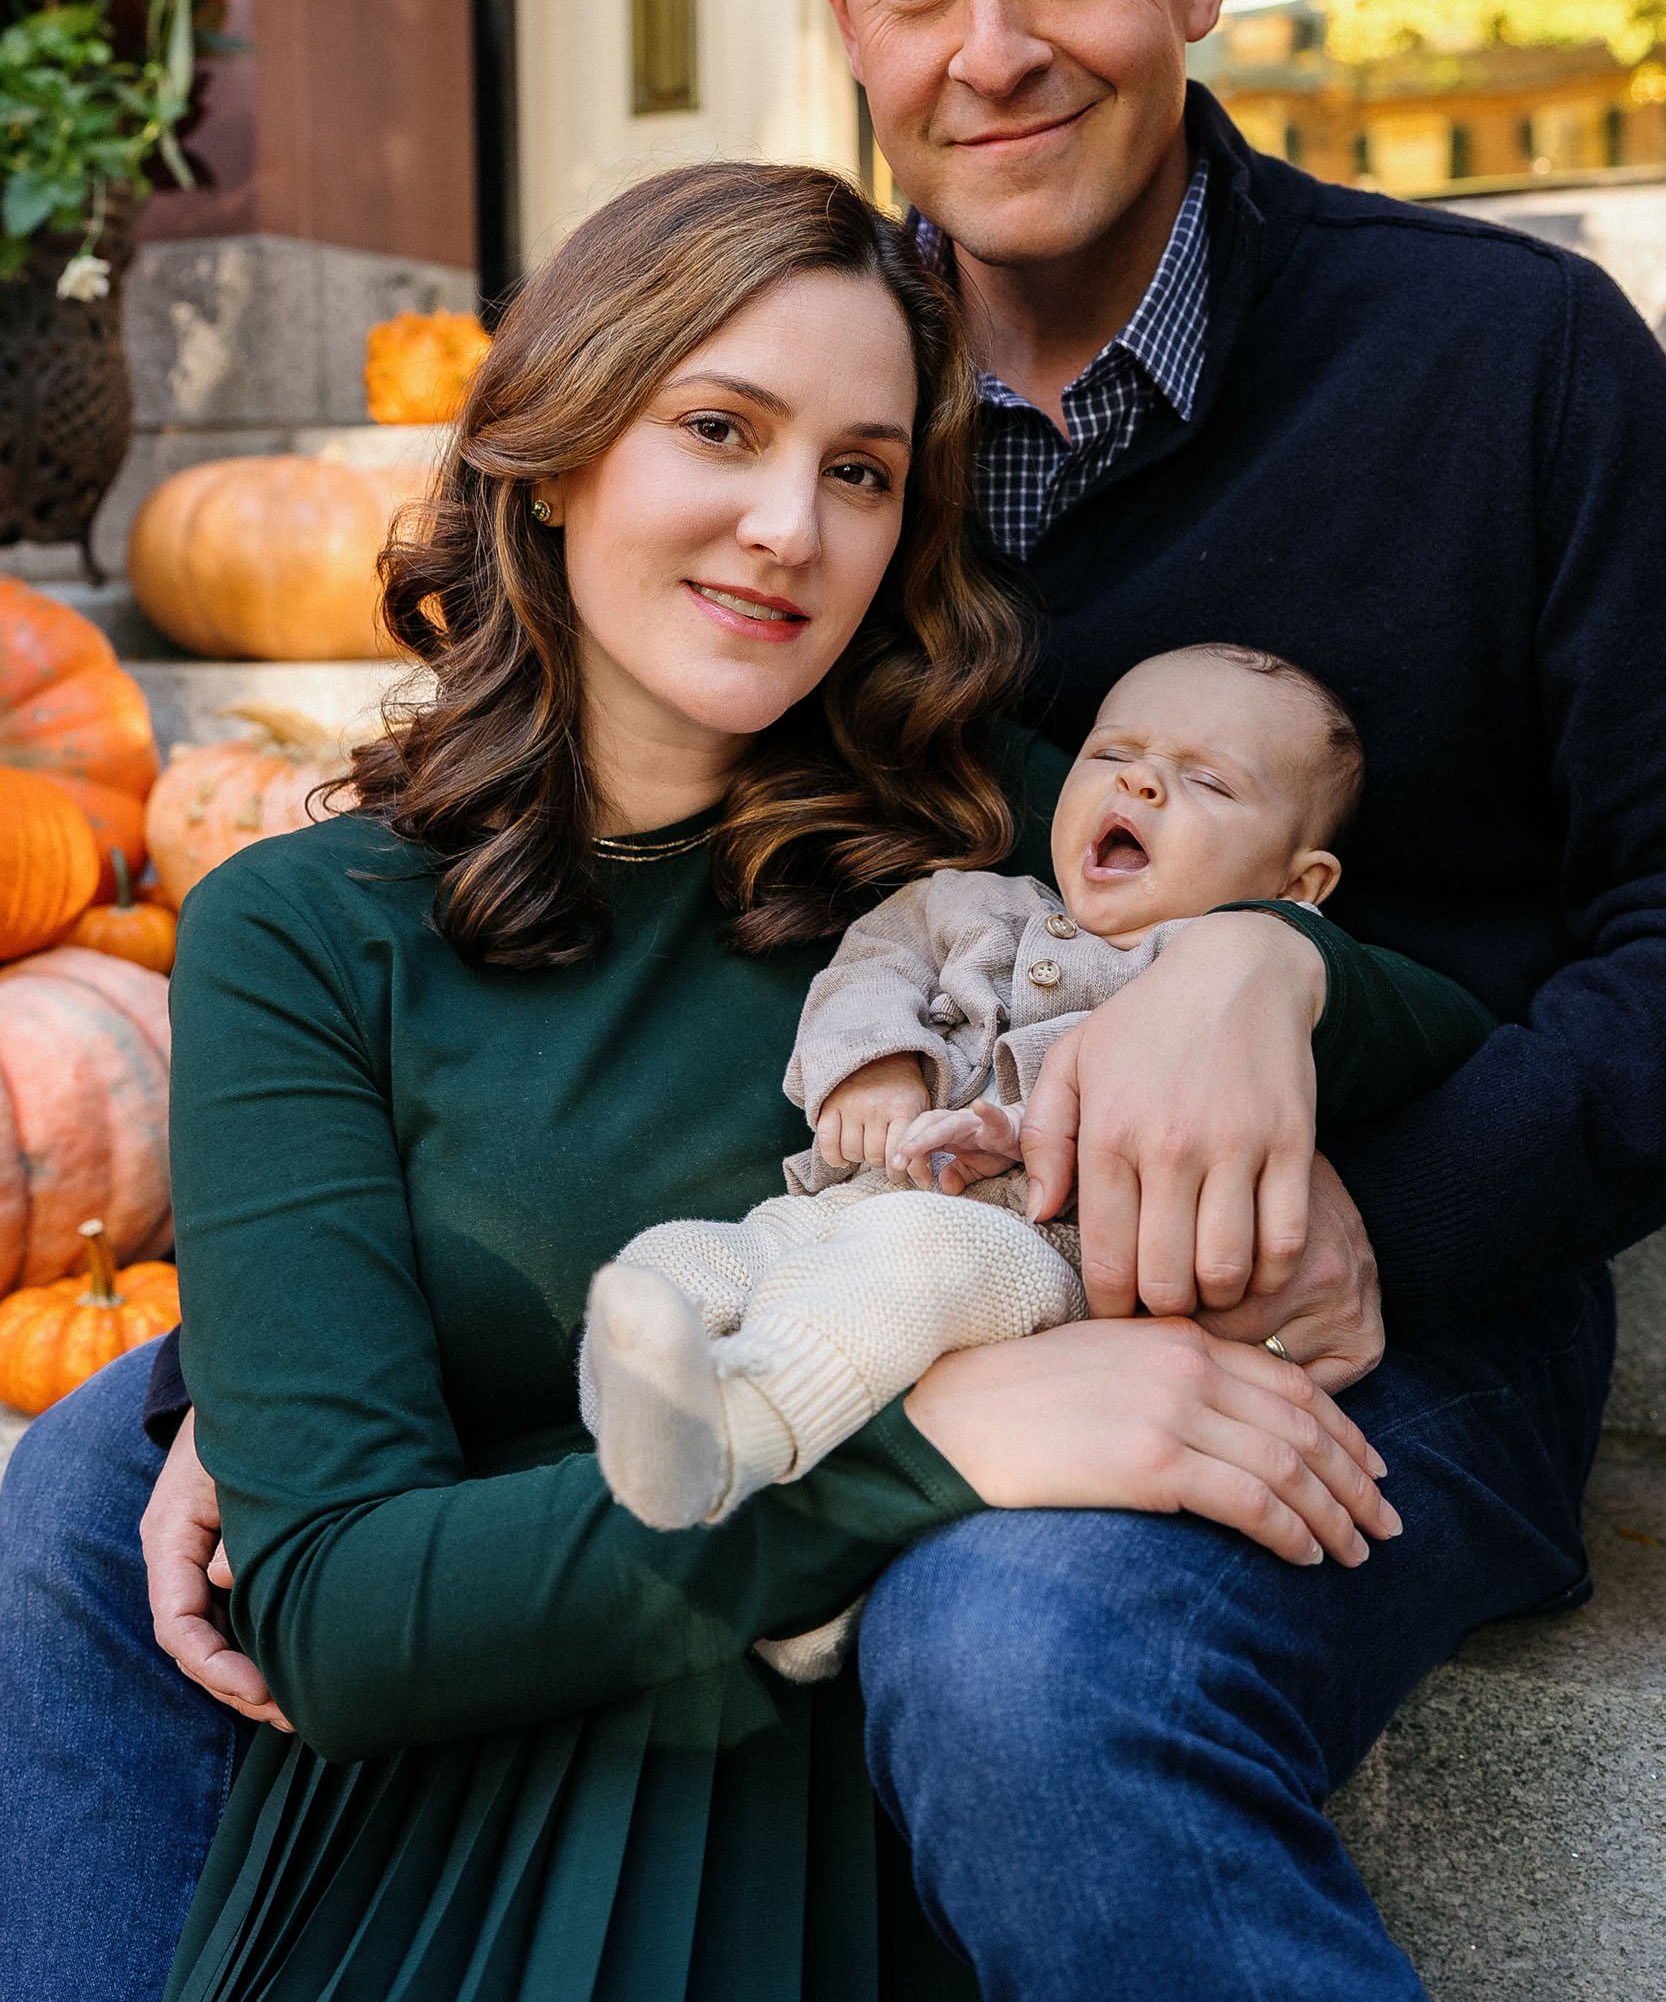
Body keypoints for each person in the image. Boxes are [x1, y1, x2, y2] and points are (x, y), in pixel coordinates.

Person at [0, 0, 1655, 2002]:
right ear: (837, 2)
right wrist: (285, 1363)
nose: (991, 49)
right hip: (860, 1198)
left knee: (1010, 1648)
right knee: (83, 1501)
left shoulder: (1509, 367)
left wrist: (1296, 1038)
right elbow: (629, 960)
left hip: (1385, 1261)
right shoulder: (830, 360)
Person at [0, 158, 1410, 2002]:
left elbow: (1417, 1014)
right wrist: (934, 1452)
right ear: (566, 445)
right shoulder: (303, 927)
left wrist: (1254, 964)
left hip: (807, 1796)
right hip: (444, 1816)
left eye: (858, 470)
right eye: (719, 430)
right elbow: (342, 1616)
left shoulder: (966, 823)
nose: (786, 528)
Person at [583, 644, 1493, 1560]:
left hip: (1027, 1247)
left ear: (1300, 887)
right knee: (674, 1259)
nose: (1139, 785)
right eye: (1111, 754)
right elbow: (873, 968)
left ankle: (751, 1434)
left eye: (1208, 782)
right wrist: (875, 1069)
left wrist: (1015, 1131)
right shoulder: (963, 901)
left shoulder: (1221, 996)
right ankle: (650, 1439)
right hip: (843, 1205)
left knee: (911, 1260)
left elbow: (1427, 1043)